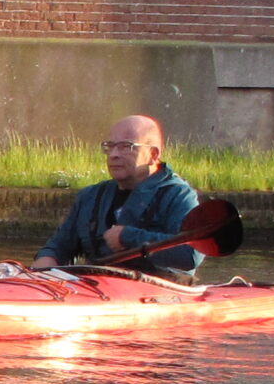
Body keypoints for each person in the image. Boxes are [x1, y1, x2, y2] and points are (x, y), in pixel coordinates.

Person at [31, 114, 201, 275]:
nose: (114, 155)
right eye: (110, 146)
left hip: (158, 293)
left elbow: (190, 254)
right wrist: (47, 259)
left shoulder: (179, 195)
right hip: (95, 289)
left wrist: (128, 238)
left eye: (126, 147)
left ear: (153, 155)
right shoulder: (90, 196)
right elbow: (60, 245)